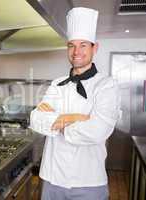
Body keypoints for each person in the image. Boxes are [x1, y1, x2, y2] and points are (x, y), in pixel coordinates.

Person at [29, 7, 120, 200]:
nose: (76, 51)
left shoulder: (106, 85)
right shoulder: (57, 83)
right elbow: (36, 119)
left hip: (89, 182)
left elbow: (98, 130)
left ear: (95, 48)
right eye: (71, 45)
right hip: (52, 178)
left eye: (83, 45)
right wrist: (76, 118)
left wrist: (56, 122)